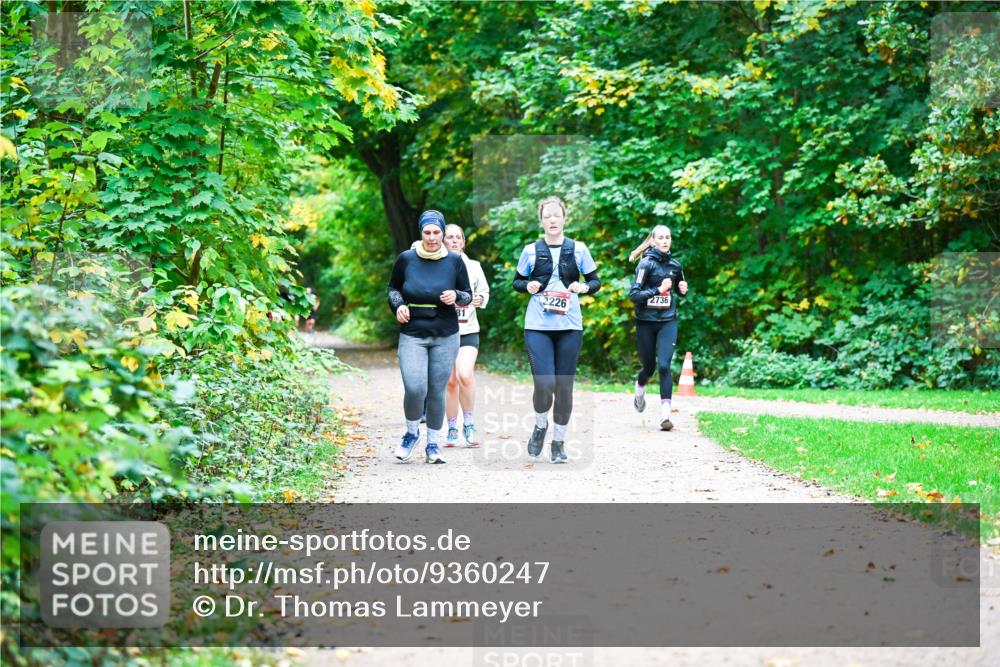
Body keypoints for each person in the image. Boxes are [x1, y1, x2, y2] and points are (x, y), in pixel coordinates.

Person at [512, 196, 601, 463]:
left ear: (564, 218)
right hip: (537, 326)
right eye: (547, 216)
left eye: (556, 215)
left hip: (569, 326)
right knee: (545, 383)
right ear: (541, 220)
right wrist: (526, 286)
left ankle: (559, 443)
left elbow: (594, 281)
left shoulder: (579, 249)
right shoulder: (530, 250)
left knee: (564, 387)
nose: (552, 220)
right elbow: (517, 281)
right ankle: (540, 425)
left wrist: (583, 287)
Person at [387, 210, 472, 464]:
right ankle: (411, 433)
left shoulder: (454, 261)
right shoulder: (406, 259)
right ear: (421, 233)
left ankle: (433, 444)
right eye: (427, 232)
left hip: (446, 334)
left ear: (443, 233)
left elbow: (467, 294)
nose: (432, 238)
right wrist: (398, 305)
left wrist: (456, 296)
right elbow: (393, 288)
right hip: (413, 332)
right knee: (415, 387)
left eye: (437, 232)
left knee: (436, 390)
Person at [627, 224, 688, 431]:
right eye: (660, 238)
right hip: (645, 322)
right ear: (653, 241)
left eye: (668, 237)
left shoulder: (675, 265)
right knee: (649, 367)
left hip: (667, 321)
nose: (664, 241)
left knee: (664, 365)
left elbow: (678, 288)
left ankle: (665, 416)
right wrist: (657, 289)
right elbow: (634, 295)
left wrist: (682, 289)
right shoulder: (645, 265)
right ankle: (640, 389)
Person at [442, 224, 490, 448]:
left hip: (468, 330)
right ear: (443, 241)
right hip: (443, 332)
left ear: (463, 242)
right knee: (450, 382)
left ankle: (469, 423)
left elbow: (484, 292)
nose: (453, 241)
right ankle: (452, 426)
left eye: (457, 237)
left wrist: (480, 299)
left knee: (465, 375)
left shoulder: (474, 266)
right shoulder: (436, 266)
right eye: (449, 237)